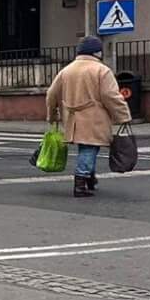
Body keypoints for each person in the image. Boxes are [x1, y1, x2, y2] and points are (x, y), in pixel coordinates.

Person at [46, 34, 132, 198]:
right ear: (97, 53)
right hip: (94, 117)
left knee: (87, 147)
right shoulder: (101, 70)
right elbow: (110, 96)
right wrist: (123, 115)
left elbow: (51, 94)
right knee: (89, 147)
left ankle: (90, 178)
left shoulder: (67, 70)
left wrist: (52, 115)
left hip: (72, 118)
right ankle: (81, 182)